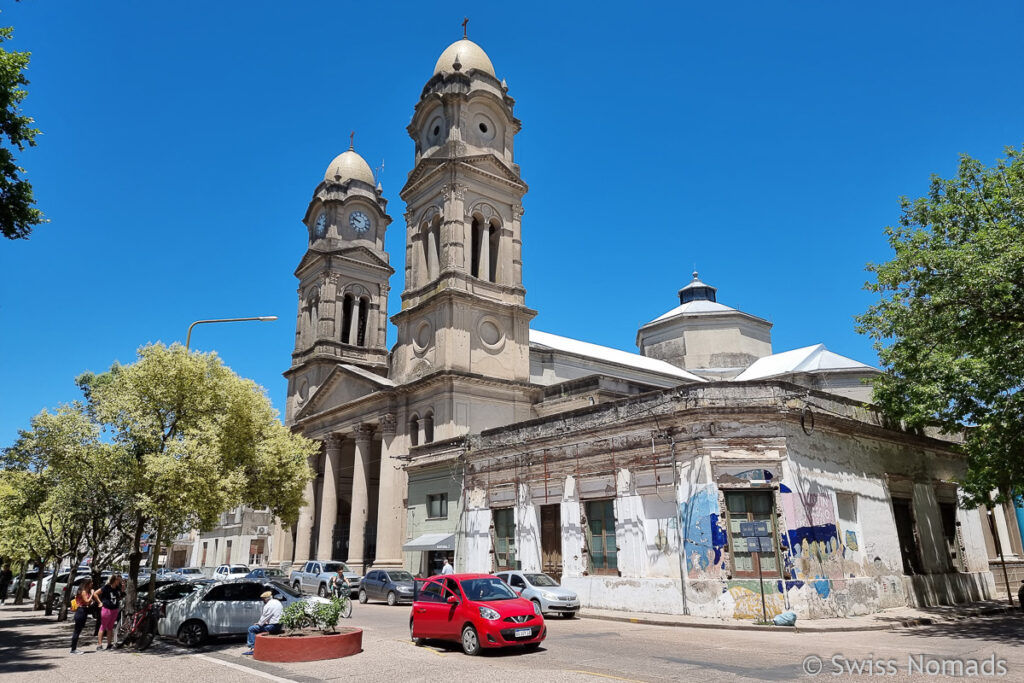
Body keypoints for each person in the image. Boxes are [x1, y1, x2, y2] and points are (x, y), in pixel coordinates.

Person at [243, 590, 283, 655]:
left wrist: (259, 623)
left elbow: (264, 618)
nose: (263, 601)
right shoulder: (277, 602)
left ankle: (253, 648)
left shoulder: (268, 605)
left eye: (263, 599)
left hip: (272, 626)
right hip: (279, 624)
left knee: (251, 629)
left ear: (266, 599)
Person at [96, 574, 124, 651]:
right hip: (106, 609)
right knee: (103, 626)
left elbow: (120, 597)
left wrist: (122, 589)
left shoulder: (118, 588)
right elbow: (95, 593)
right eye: (118, 580)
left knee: (110, 627)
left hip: (114, 609)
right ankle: (99, 645)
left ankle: (109, 644)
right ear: (114, 580)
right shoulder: (106, 587)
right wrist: (99, 602)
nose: (119, 581)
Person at [70, 579, 96, 654]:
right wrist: (92, 594)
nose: (92, 584)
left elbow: (88, 603)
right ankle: (73, 649)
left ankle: (74, 647)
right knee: (77, 631)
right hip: (80, 611)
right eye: (91, 583)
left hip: (84, 611)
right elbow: (86, 601)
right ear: (88, 584)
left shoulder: (86, 591)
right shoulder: (83, 591)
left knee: (78, 630)